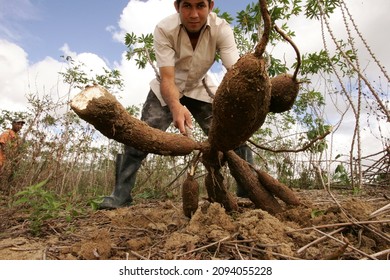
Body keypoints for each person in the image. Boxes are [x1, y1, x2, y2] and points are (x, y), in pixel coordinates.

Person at [99, 0, 253, 209]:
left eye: (200, 6)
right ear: (177, 7)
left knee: (232, 131)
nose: (194, 14)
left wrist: (245, 102)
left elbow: (236, 72)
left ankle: (248, 186)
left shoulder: (222, 29)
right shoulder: (164, 29)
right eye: (187, 6)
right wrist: (175, 106)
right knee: (141, 135)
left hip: (200, 85)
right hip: (167, 87)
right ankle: (120, 195)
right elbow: (168, 78)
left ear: (211, 6)